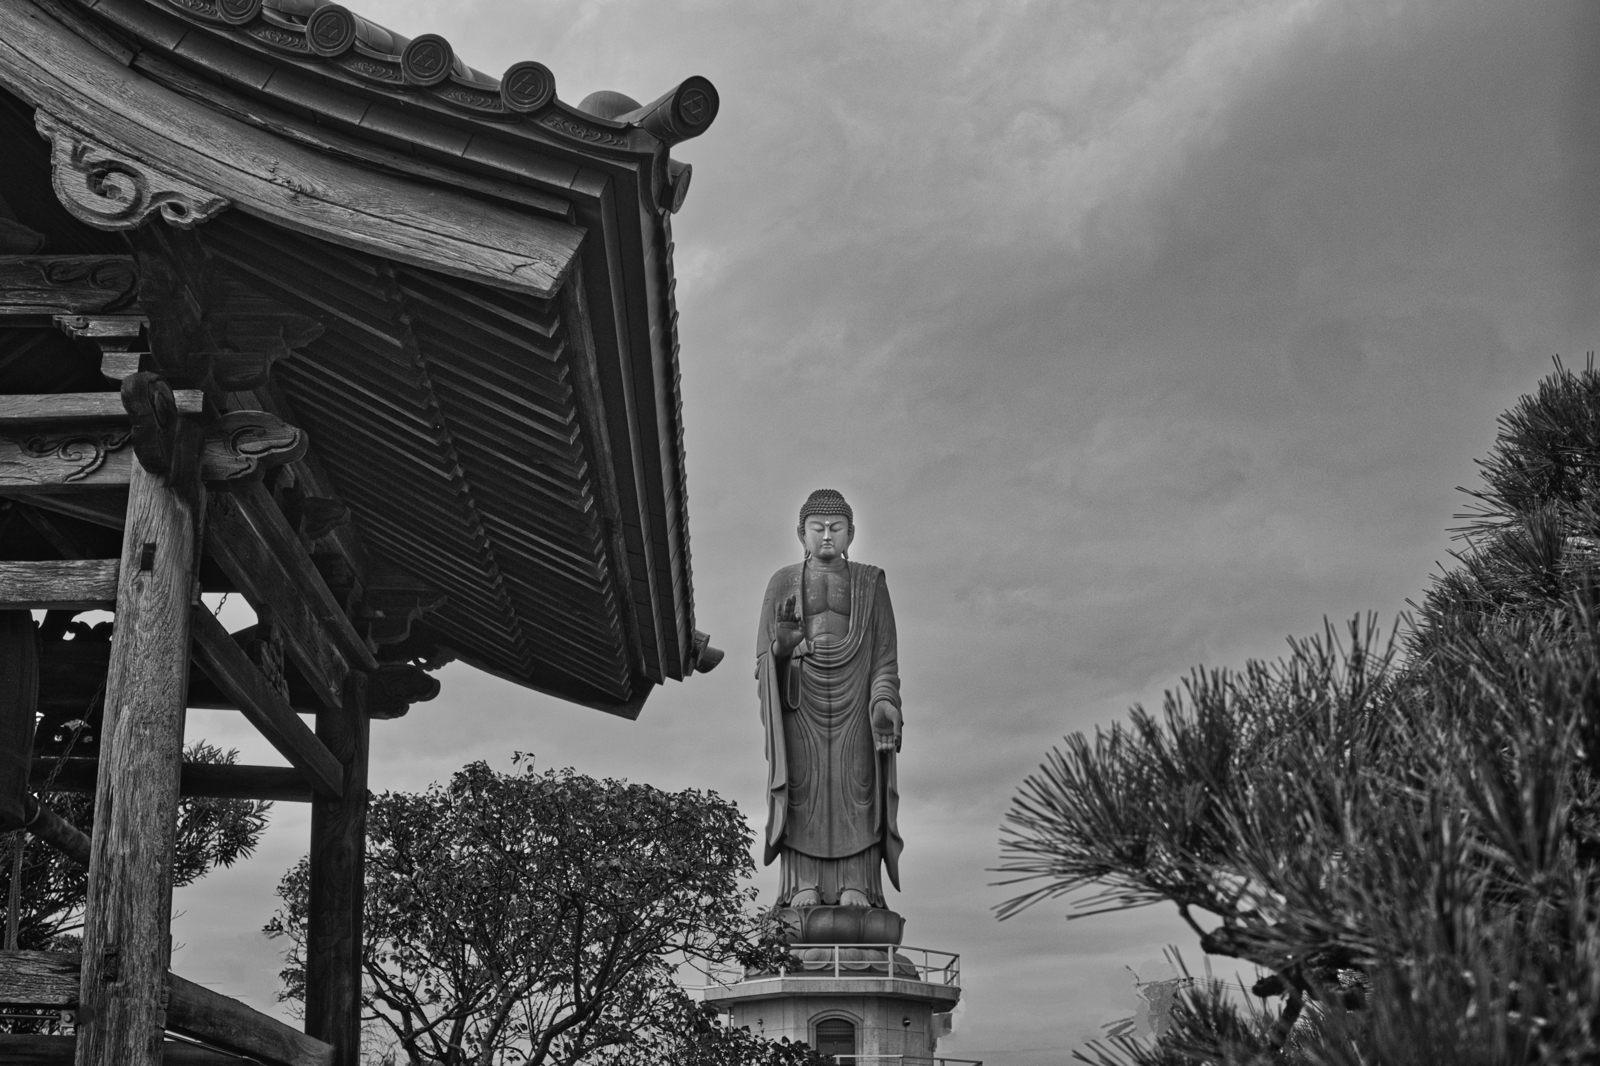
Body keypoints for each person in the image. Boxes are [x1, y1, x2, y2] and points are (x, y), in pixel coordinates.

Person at [755, 489, 903, 909]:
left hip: (858, 701)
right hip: (801, 697)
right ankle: (804, 885)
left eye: (835, 528)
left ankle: (857, 884)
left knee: (857, 787)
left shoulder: (871, 582)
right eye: (816, 528)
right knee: (804, 789)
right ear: (800, 533)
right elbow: (764, 658)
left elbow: (885, 657)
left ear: (851, 532)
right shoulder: (782, 581)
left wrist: (883, 703)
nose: (826, 536)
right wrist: (782, 649)